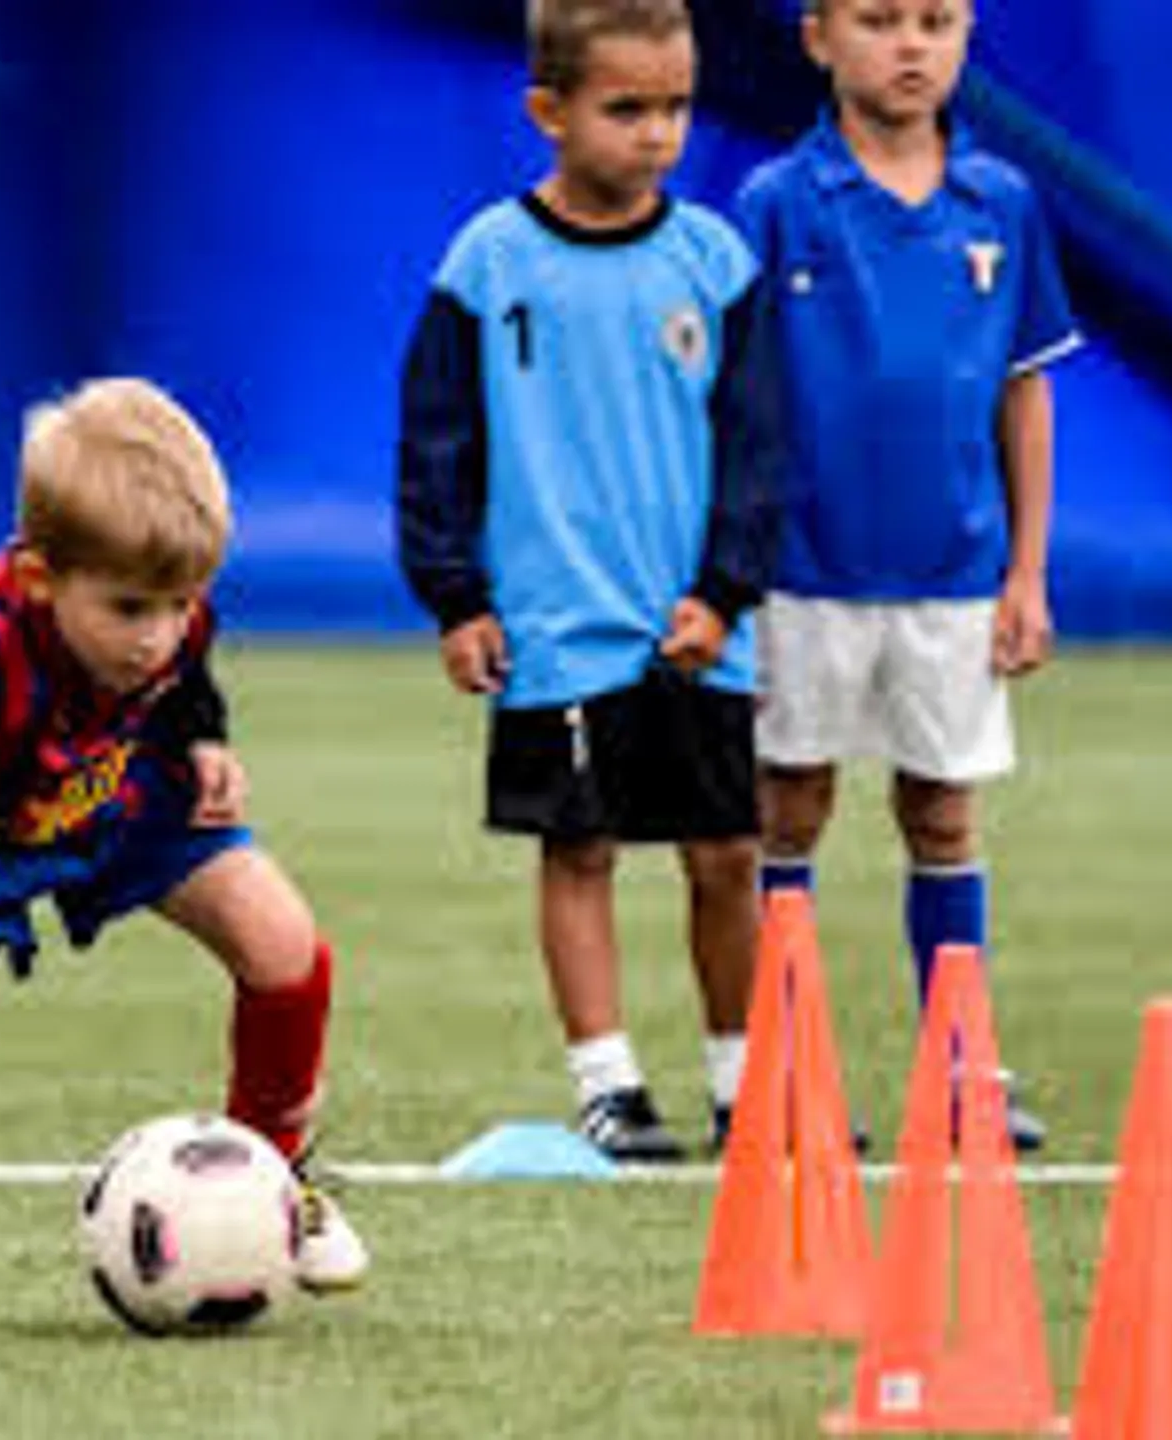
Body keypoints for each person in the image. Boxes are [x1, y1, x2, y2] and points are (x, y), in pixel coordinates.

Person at [0, 377, 369, 1336]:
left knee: (283, 943)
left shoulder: (168, 610)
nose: (157, 636)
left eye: (180, 603)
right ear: (40, 577)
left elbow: (187, 672)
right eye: (130, 609)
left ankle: (277, 1181)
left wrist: (204, 738)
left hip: (120, 799)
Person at [397, 0, 779, 1161]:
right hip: (553, 629)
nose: (657, 133)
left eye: (676, 107)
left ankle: (746, 1082)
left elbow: (760, 448)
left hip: (696, 626)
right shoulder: (486, 261)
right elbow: (435, 444)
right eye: (627, 109)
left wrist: (726, 590)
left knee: (728, 855)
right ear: (548, 112)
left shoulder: (715, 261)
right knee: (580, 850)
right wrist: (458, 598)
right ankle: (609, 1084)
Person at [738, 0, 1084, 1149]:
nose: (910, 46)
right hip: (802, 571)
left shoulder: (1003, 201)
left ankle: (963, 1066)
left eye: (936, 20)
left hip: (956, 576)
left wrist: (1027, 571)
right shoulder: (777, 201)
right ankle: (787, 1067)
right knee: (789, 805)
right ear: (818, 37)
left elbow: (1025, 392)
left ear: (968, 33)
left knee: (942, 814)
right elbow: (734, 401)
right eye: (879, 20)